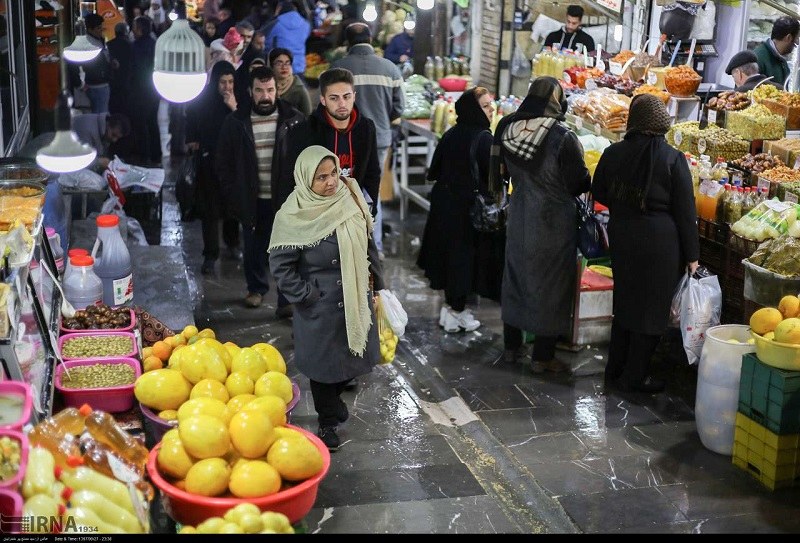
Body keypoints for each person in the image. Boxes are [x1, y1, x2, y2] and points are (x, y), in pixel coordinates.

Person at [268, 145, 384, 451]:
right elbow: (281, 265)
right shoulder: (293, 215)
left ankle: (334, 405)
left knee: (345, 361)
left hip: (353, 295)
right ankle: (328, 421)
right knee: (321, 368)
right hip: (319, 304)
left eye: (333, 173)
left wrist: (378, 285)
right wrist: (306, 295)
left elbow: (368, 244)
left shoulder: (350, 198)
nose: (331, 182)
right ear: (306, 180)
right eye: (321, 177)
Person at [592, 94, 699, 393]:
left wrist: (624, 204)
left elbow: (598, 190)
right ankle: (634, 378)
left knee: (625, 304)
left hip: (623, 237)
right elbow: (685, 211)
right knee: (651, 312)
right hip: (660, 245)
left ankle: (615, 370)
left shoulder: (613, 153)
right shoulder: (672, 158)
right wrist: (693, 256)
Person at [489, 77, 591, 372]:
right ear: (555, 100)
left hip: (520, 213)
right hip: (554, 221)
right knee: (551, 285)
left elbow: (502, 172)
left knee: (517, 278)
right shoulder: (561, 136)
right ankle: (542, 357)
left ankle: (511, 347)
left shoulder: (507, 127)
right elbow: (578, 182)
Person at [214, 65, 305, 310]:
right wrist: (234, 196)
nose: (265, 96)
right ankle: (256, 289)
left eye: (270, 90)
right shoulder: (236, 122)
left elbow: (306, 160)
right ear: (249, 92)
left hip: (285, 200)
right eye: (259, 90)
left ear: (277, 90)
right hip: (252, 199)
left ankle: (286, 300)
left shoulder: (293, 121)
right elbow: (223, 163)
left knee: (287, 252)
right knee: (253, 248)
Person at [416, 87, 494, 334]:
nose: (491, 110)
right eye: (485, 105)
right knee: (463, 261)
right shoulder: (484, 138)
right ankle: (457, 313)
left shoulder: (451, 133)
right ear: (474, 109)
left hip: (445, 205)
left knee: (447, 258)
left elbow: (434, 170)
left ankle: (451, 311)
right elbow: (492, 178)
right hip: (466, 210)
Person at [332, 22, 404, 258]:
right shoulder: (390, 69)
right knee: (371, 190)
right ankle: (375, 247)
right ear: (371, 39)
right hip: (380, 139)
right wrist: (382, 120)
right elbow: (399, 108)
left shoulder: (338, 69)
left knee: (343, 190)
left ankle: (345, 245)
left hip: (345, 139)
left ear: (348, 42)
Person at [284, 67, 379, 209]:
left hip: (352, 209)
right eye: (334, 98)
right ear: (323, 100)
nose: (342, 104)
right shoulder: (305, 130)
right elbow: (293, 176)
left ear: (354, 96)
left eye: (346, 97)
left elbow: (372, 172)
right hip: (318, 212)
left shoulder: (366, 128)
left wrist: (370, 209)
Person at [186, 61, 242, 275]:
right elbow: (191, 121)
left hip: (232, 165)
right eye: (223, 82)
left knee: (231, 208)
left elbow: (244, 127)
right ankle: (210, 254)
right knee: (210, 210)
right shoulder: (203, 102)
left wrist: (233, 107)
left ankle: (232, 243)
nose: (227, 87)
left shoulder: (238, 102)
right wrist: (192, 140)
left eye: (230, 82)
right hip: (209, 163)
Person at [130, 15, 161, 166]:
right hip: (153, 90)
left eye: (134, 27)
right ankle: (156, 155)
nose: (132, 30)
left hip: (141, 92)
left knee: (141, 124)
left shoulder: (136, 46)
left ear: (140, 30)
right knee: (152, 123)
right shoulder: (155, 44)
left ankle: (144, 156)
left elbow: (135, 69)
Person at [69, 13, 112, 114]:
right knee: (100, 116)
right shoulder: (85, 44)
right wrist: (79, 84)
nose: (101, 30)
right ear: (89, 29)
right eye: (98, 28)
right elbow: (73, 65)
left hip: (101, 84)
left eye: (101, 27)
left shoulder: (99, 40)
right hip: (95, 86)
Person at [264, 0, 312, 76]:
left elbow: (266, 43)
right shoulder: (305, 24)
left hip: (281, 67)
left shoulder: (276, 23)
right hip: (299, 67)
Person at [754, 16, 800, 87]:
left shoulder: (781, 60)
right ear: (788, 37)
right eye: (797, 38)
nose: (797, 43)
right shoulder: (758, 58)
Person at [269, 48, 312, 117]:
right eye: (279, 63)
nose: (284, 67)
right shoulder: (265, 85)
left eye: (287, 63)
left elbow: (308, 117)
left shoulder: (298, 89)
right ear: (271, 66)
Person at [107, 22, 134, 117]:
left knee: (114, 105)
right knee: (126, 106)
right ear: (126, 32)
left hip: (113, 79)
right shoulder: (131, 45)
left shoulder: (108, 45)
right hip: (127, 79)